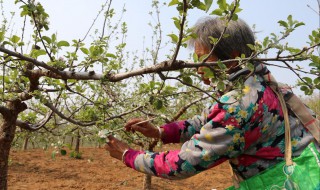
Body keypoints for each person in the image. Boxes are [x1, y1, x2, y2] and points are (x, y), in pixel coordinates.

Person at [105, 17, 319, 181]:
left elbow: (183, 163)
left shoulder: (240, 105)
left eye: (204, 59)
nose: (197, 69)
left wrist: (128, 155)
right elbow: (206, 120)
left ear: (233, 56)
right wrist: (161, 132)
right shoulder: (257, 83)